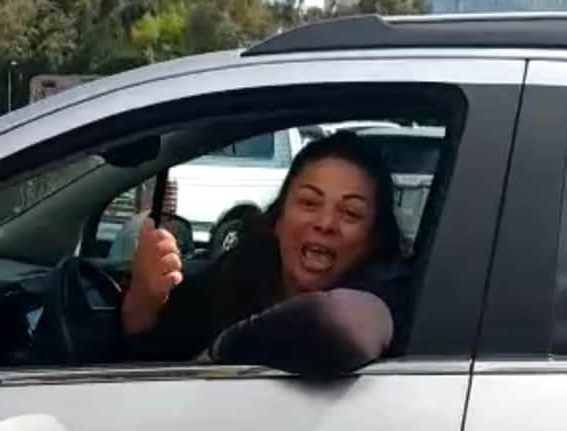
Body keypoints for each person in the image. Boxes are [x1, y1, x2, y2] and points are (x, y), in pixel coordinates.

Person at [119, 131, 412, 370]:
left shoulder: (386, 295)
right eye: (309, 203)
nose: (325, 223)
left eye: (350, 213)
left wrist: (218, 354)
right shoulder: (234, 277)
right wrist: (143, 299)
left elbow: (338, 322)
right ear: (278, 220)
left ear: (374, 237)